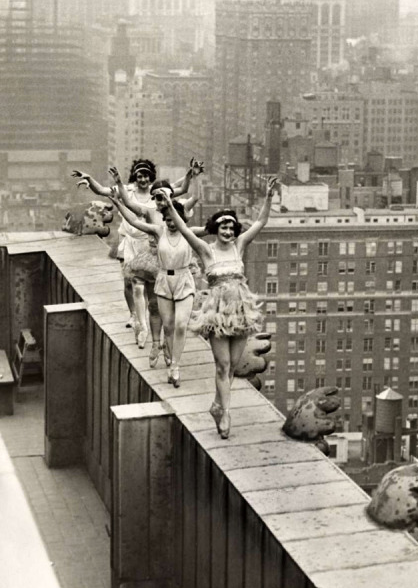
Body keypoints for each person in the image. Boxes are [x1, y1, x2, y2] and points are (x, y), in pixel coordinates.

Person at [163, 176, 278, 439]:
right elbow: (183, 229)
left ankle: (217, 405)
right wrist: (170, 206)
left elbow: (260, 222)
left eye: (231, 228)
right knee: (222, 365)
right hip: (216, 313)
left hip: (240, 311)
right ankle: (225, 414)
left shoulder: (240, 245)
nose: (228, 232)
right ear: (215, 229)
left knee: (234, 366)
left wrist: (269, 197)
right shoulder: (206, 250)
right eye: (223, 227)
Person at [71, 159, 200, 353]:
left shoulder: (160, 194)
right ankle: (139, 323)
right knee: (132, 285)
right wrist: (91, 180)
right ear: (135, 177)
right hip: (133, 241)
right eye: (140, 175)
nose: (143, 179)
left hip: (156, 247)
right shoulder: (129, 190)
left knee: (155, 295)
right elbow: (108, 194)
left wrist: (192, 174)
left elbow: (182, 188)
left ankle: (160, 335)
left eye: (146, 175)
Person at [108, 166, 205, 388]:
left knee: (176, 323)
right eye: (157, 197)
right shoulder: (155, 218)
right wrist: (119, 195)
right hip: (156, 265)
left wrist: (194, 177)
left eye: (164, 196)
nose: (161, 201)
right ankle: (155, 343)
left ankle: (172, 359)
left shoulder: (180, 214)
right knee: (156, 310)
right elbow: (133, 214)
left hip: (179, 268)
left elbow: (194, 196)